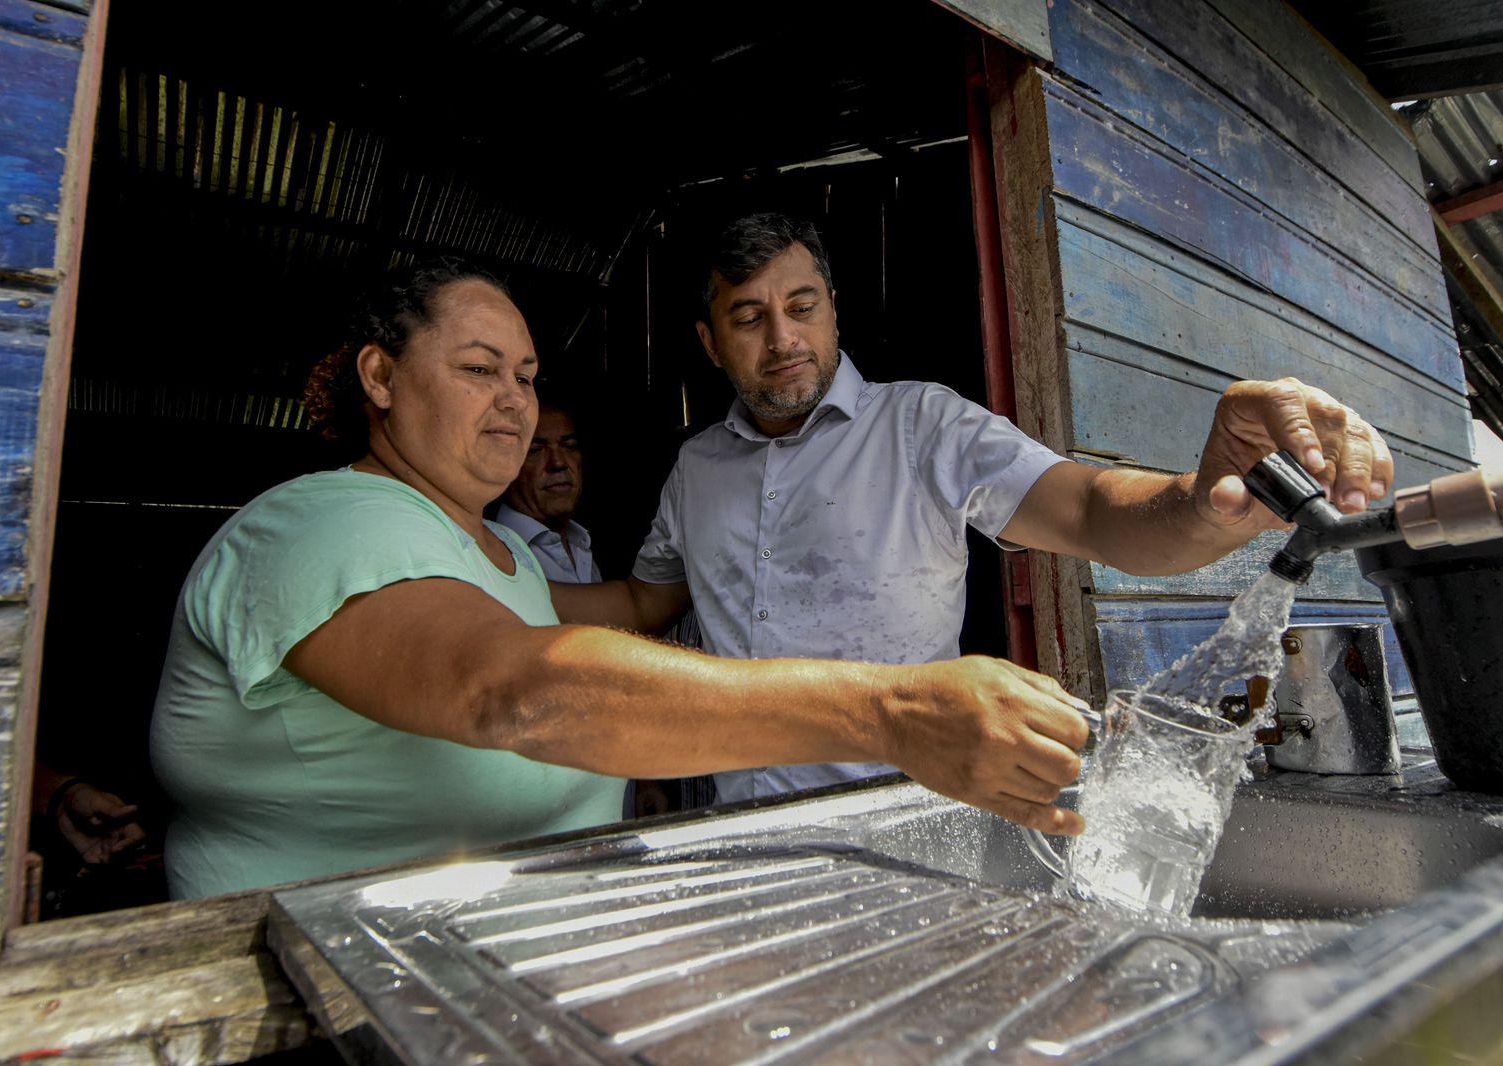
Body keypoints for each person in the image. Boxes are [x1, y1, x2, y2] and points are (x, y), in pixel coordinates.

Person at [148, 258, 1101, 899]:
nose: (515, 401)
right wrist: (888, 711)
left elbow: (636, 610)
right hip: (312, 978)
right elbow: (512, 687)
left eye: (525, 375)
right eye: (481, 369)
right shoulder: (318, 525)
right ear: (381, 377)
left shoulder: (505, 555)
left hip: (497, 960)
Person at [550, 212, 1395, 805]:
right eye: (749, 317)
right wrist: (481, 566)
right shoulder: (697, 466)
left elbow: (1093, 513)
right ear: (708, 342)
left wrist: (1203, 498)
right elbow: (642, 603)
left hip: (903, 819)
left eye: (802, 308)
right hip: (735, 821)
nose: (783, 341)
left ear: (833, 311)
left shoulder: (923, 425)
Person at [494, 397, 601, 584]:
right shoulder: (493, 551)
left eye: (570, 446)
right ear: (505, 464)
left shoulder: (580, 542)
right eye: (535, 450)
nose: (558, 462)